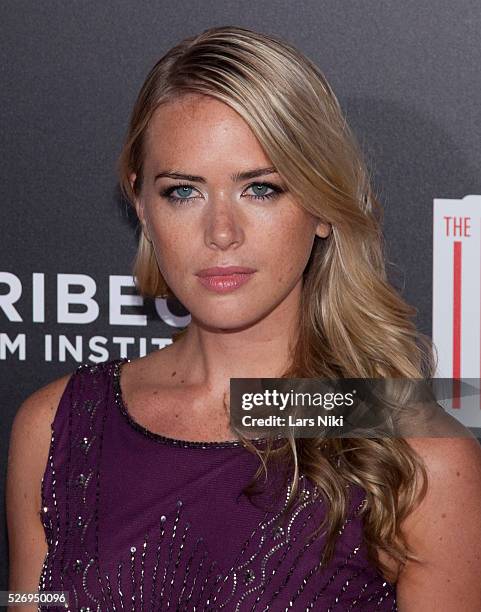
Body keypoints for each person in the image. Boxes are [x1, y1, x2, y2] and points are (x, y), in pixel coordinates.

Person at [6, 25, 481, 611]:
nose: (221, 233)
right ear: (142, 206)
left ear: (323, 207)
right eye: (184, 191)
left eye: (260, 189)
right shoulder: (57, 426)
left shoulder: (412, 453)